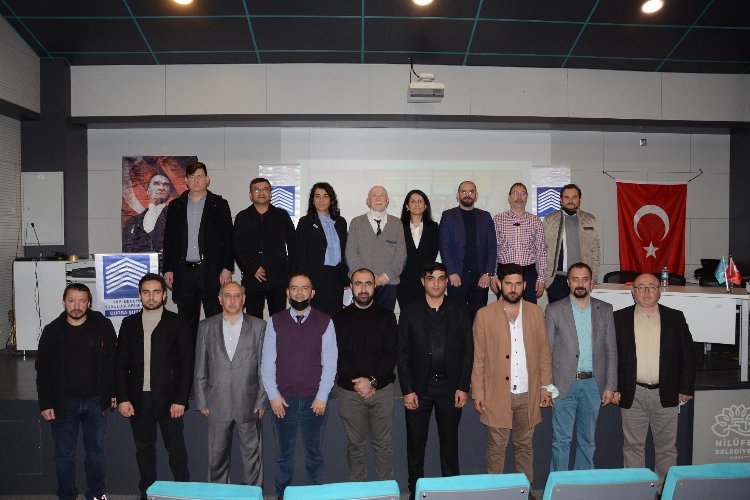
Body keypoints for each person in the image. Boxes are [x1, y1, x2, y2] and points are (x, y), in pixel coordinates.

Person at [613, 273, 696, 495]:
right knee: (632, 446)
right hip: (632, 393)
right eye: (641, 287)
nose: (647, 291)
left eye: (652, 286)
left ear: (660, 291)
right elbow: (612, 357)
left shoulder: (675, 317)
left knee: (667, 449)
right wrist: (614, 387)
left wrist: (686, 388)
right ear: (633, 292)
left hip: (666, 393)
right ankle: (636, 491)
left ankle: (664, 492)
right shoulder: (619, 318)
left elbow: (688, 355)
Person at [472, 264, 552, 488]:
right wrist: (478, 392)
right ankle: (495, 492)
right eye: (508, 283)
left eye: (518, 283)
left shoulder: (536, 313)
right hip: (497, 394)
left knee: (525, 446)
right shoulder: (484, 315)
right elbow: (479, 358)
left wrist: (546, 388)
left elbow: (544, 353)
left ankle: (524, 491)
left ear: (525, 285)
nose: (513, 288)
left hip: (528, 393)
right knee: (496, 448)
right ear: (499, 284)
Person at [115, 273, 194, 500]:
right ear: (140, 295)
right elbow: (120, 364)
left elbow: (187, 364)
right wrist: (123, 398)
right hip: (138, 400)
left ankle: (184, 494)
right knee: (144, 451)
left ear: (164, 295)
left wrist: (180, 399)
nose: (151, 297)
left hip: (170, 401)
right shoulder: (129, 324)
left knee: (176, 451)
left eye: (156, 292)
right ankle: (147, 494)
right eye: (146, 292)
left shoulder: (178, 322)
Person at [398, 262, 473, 500]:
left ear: (447, 282)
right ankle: (415, 493)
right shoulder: (409, 310)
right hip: (418, 389)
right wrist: (407, 389)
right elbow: (402, 353)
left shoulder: (459, 309)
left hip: (450, 389)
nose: (437, 283)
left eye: (441, 278)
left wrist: (463, 386)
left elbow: (467, 351)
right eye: (431, 278)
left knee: (450, 445)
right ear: (423, 281)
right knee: (415, 446)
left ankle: (451, 493)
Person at [36, 283, 116, 500]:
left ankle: (96, 494)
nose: (77, 306)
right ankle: (66, 495)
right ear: (63, 303)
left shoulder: (103, 326)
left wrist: (113, 392)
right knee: (63, 455)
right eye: (71, 301)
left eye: (82, 301)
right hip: (64, 403)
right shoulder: (52, 331)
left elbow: (112, 361)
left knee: (96, 453)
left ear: (89, 303)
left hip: (96, 401)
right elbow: (43, 370)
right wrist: (46, 403)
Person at [261, 274, 338, 499]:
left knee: (314, 455)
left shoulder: (325, 322)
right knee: (283, 455)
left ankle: (313, 496)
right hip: (282, 401)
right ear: (287, 292)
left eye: (304, 288)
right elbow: (267, 363)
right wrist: (273, 396)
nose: (299, 292)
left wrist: (322, 396)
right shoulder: (275, 321)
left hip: (314, 401)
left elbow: (330, 363)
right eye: (294, 288)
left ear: (312, 293)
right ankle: (282, 495)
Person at [194, 281, 267, 486]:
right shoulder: (206, 326)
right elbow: (200, 366)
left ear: (244, 299)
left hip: (249, 403)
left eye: (237, 296)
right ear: (220, 299)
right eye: (227, 296)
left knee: (253, 459)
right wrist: (201, 400)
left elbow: (264, 368)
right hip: (217, 402)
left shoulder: (259, 326)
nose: (232, 300)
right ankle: (219, 495)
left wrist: (261, 401)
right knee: (216, 459)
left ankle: (252, 496)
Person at [545, 262, 617, 471]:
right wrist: (547, 386)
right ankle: (559, 485)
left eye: (585, 279)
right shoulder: (554, 310)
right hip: (563, 385)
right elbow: (547, 352)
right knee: (561, 441)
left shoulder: (605, 309)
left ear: (591, 283)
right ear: (568, 282)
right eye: (575, 279)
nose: (580, 284)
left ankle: (583, 485)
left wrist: (610, 386)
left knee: (588, 441)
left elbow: (611, 350)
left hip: (593, 385)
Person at [333, 268, 398, 481]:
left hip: (382, 391)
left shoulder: (387, 317)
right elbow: (337, 356)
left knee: (383, 445)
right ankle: (359, 491)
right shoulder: (339, 318)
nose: (363, 289)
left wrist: (371, 381)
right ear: (351, 287)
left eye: (368, 283)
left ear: (375, 286)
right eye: (358, 283)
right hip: (350, 392)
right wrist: (360, 383)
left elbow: (391, 354)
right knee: (355, 445)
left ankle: (385, 492)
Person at [162, 161, 234, 338]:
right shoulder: (175, 206)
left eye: (200, 176)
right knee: (186, 322)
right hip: (183, 271)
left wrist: (227, 267)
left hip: (211, 270)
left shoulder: (219, 204)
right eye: (192, 177)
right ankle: (189, 356)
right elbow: (169, 240)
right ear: (186, 180)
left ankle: (215, 355)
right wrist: (168, 268)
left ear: (207, 179)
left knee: (215, 318)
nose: (196, 180)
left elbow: (229, 238)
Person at [233, 177, 297, 320]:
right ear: (250, 194)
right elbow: (236, 247)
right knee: (253, 320)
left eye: (265, 189)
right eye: (256, 189)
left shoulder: (282, 215)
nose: (261, 193)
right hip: (252, 278)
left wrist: (290, 274)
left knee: (278, 320)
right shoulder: (242, 217)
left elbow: (293, 245)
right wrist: (252, 268)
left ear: (270, 193)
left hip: (278, 278)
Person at [438, 181, 496, 324]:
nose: (467, 194)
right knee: (456, 320)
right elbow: (444, 246)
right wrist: (451, 272)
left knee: (478, 321)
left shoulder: (485, 216)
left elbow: (492, 246)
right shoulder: (448, 216)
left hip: (481, 279)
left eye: (471, 191)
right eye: (463, 191)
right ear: (457, 195)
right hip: (457, 277)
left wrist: (488, 273)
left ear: (476, 195)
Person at [345, 185, 407, 311]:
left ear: (387, 201)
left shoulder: (397, 223)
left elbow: (401, 255)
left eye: (382, 195)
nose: (378, 198)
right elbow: (350, 254)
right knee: (362, 320)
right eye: (374, 195)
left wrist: (386, 276)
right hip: (362, 285)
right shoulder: (356, 222)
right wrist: (368, 277)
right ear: (368, 201)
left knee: (385, 321)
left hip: (388, 283)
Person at [295, 182, 348, 316]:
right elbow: (299, 254)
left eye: (325, 196)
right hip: (315, 278)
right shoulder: (305, 222)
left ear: (331, 200)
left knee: (335, 317)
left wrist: (346, 278)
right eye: (317, 196)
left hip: (336, 278)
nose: (321, 200)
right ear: (312, 200)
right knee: (315, 317)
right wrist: (303, 281)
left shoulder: (341, 222)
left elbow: (344, 252)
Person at [542, 184, 601, 303]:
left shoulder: (590, 220)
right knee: (558, 313)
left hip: (582, 279)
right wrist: (544, 278)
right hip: (557, 279)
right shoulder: (550, 220)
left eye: (574, 197)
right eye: (567, 197)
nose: (570, 201)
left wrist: (593, 278)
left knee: (579, 312)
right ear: (561, 200)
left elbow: (595, 251)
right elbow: (541, 250)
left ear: (580, 199)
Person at [491, 182, 547, 304]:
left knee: (529, 310)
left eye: (522, 193)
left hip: (529, 273)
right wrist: (493, 275)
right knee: (504, 310)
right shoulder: (498, 219)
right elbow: (493, 249)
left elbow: (541, 250)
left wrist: (542, 278)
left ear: (527, 197)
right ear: (509, 197)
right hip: (504, 272)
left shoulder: (535, 220)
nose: (519, 196)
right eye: (515, 193)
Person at [397, 189, 439, 309]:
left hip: (425, 279)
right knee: (406, 312)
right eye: (413, 201)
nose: (417, 204)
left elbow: (433, 252)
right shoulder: (399, 226)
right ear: (407, 206)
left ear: (425, 206)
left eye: (420, 201)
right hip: (404, 279)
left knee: (425, 313)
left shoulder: (433, 227)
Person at [122, 172, 174, 252]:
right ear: (148, 191)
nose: (161, 188)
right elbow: (126, 251)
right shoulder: (132, 222)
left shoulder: (176, 218)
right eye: (156, 184)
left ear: (169, 192)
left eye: (166, 185)